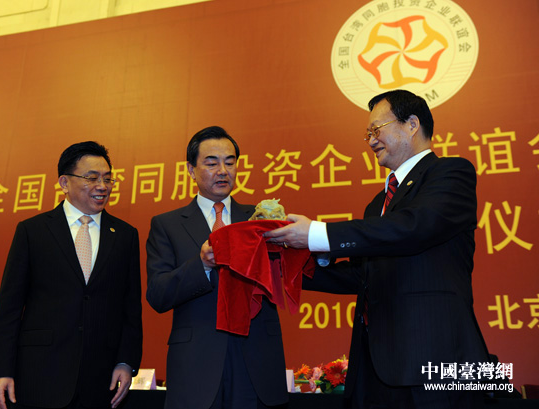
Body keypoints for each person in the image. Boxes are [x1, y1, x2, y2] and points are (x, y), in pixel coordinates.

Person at [265, 90, 490, 408]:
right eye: (367, 133)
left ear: (412, 124)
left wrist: (317, 233)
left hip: (434, 359)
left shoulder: (451, 173)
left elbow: (413, 228)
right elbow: (364, 275)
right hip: (376, 367)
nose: (371, 140)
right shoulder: (378, 203)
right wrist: (281, 265)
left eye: (377, 129)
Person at [0, 141, 142, 409]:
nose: (102, 186)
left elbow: (130, 307)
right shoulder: (32, 231)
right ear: (64, 182)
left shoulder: (125, 235)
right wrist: (0, 369)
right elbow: (9, 306)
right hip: (40, 373)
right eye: (92, 178)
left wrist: (126, 361)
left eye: (108, 179)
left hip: (100, 377)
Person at [146, 126, 288, 409]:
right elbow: (158, 294)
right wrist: (201, 265)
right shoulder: (167, 225)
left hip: (256, 360)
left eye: (230, 162)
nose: (223, 171)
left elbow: (284, 275)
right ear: (191, 169)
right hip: (197, 363)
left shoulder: (260, 218)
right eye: (211, 163)